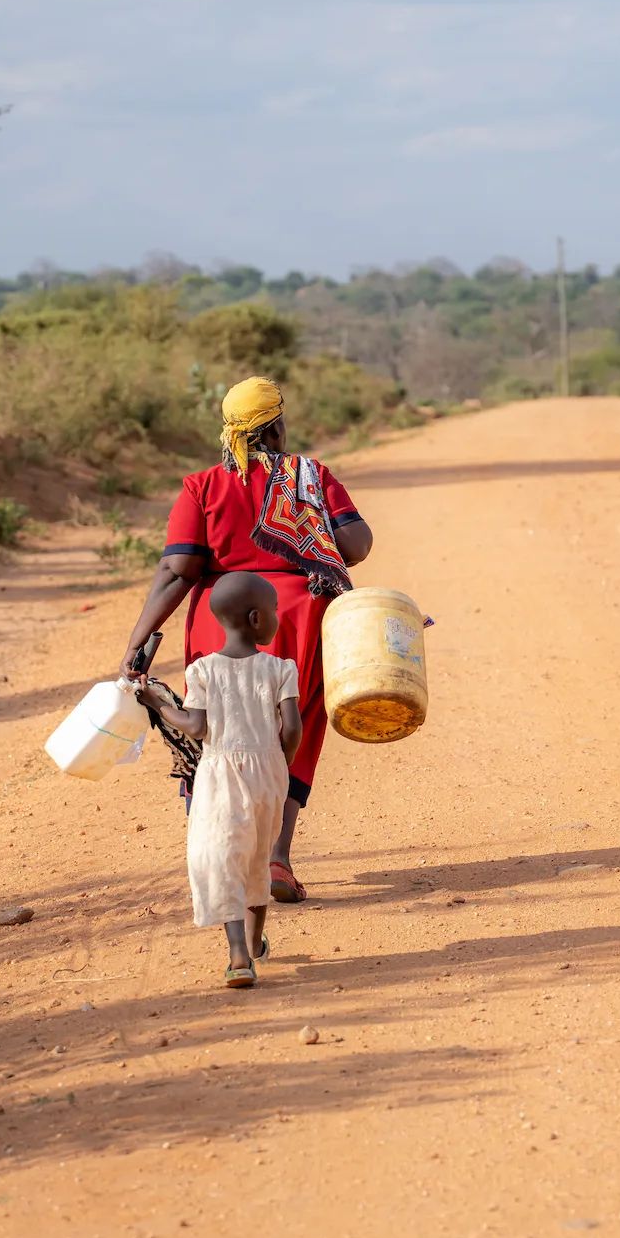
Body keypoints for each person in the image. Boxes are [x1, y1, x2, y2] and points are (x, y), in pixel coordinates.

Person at [117, 376, 373, 903]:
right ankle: (276, 857)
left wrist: (138, 641)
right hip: (298, 621)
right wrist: (317, 524)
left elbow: (178, 569)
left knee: (214, 735)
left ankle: (224, 854)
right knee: (291, 730)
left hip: (222, 621)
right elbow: (356, 546)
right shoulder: (309, 476)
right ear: (277, 424)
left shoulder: (202, 486)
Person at [135, 573, 301, 988]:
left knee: (225, 856)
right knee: (258, 858)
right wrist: (281, 763)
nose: (278, 618)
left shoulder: (203, 671)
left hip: (220, 773)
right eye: (275, 612)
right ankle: (255, 938)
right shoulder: (281, 669)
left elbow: (195, 725)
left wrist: (157, 701)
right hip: (269, 772)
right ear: (256, 618)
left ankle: (239, 955)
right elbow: (293, 728)